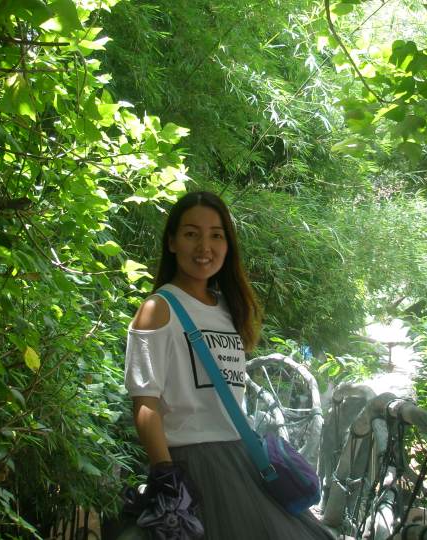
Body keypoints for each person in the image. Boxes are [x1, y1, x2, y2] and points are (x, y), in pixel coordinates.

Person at [124, 191, 333, 539]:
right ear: (172, 242)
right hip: (192, 465)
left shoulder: (227, 308)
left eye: (216, 235)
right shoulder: (158, 309)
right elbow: (146, 403)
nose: (204, 246)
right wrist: (166, 478)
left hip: (241, 457)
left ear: (228, 244)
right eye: (191, 233)